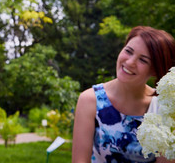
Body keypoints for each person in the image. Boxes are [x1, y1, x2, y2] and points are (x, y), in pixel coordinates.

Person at [72, 26, 175, 163]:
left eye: (143, 60)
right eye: (128, 51)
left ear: (155, 70)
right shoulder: (90, 100)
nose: (130, 62)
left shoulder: (164, 107)